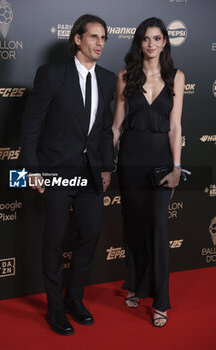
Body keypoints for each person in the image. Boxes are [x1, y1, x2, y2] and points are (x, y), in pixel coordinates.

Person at [21, 14, 116, 335]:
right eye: (93, 36)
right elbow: (31, 126)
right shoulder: (51, 75)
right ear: (77, 39)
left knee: (89, 236)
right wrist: (31, 169)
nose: (100, 43)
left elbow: (104, 130)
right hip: (56, 172)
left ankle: (75, 299)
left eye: (103, 37)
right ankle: (55, 308)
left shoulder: (106, 78)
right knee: (54, 239)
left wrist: (106, 167)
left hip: (91, 174)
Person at [112, 17, 185, 327]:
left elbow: (175, 126)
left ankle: (161, 300)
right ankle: (137, 286)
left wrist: (177, 166)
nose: (151, 44)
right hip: (130, 161)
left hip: (159, 162)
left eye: (157, 38)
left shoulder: (176, 77)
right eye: (146, 39)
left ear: (165, 42)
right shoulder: (125, 76)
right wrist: (104, 163)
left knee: (158, 228)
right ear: (139, 43)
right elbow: (116, 126)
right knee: (135, 229)